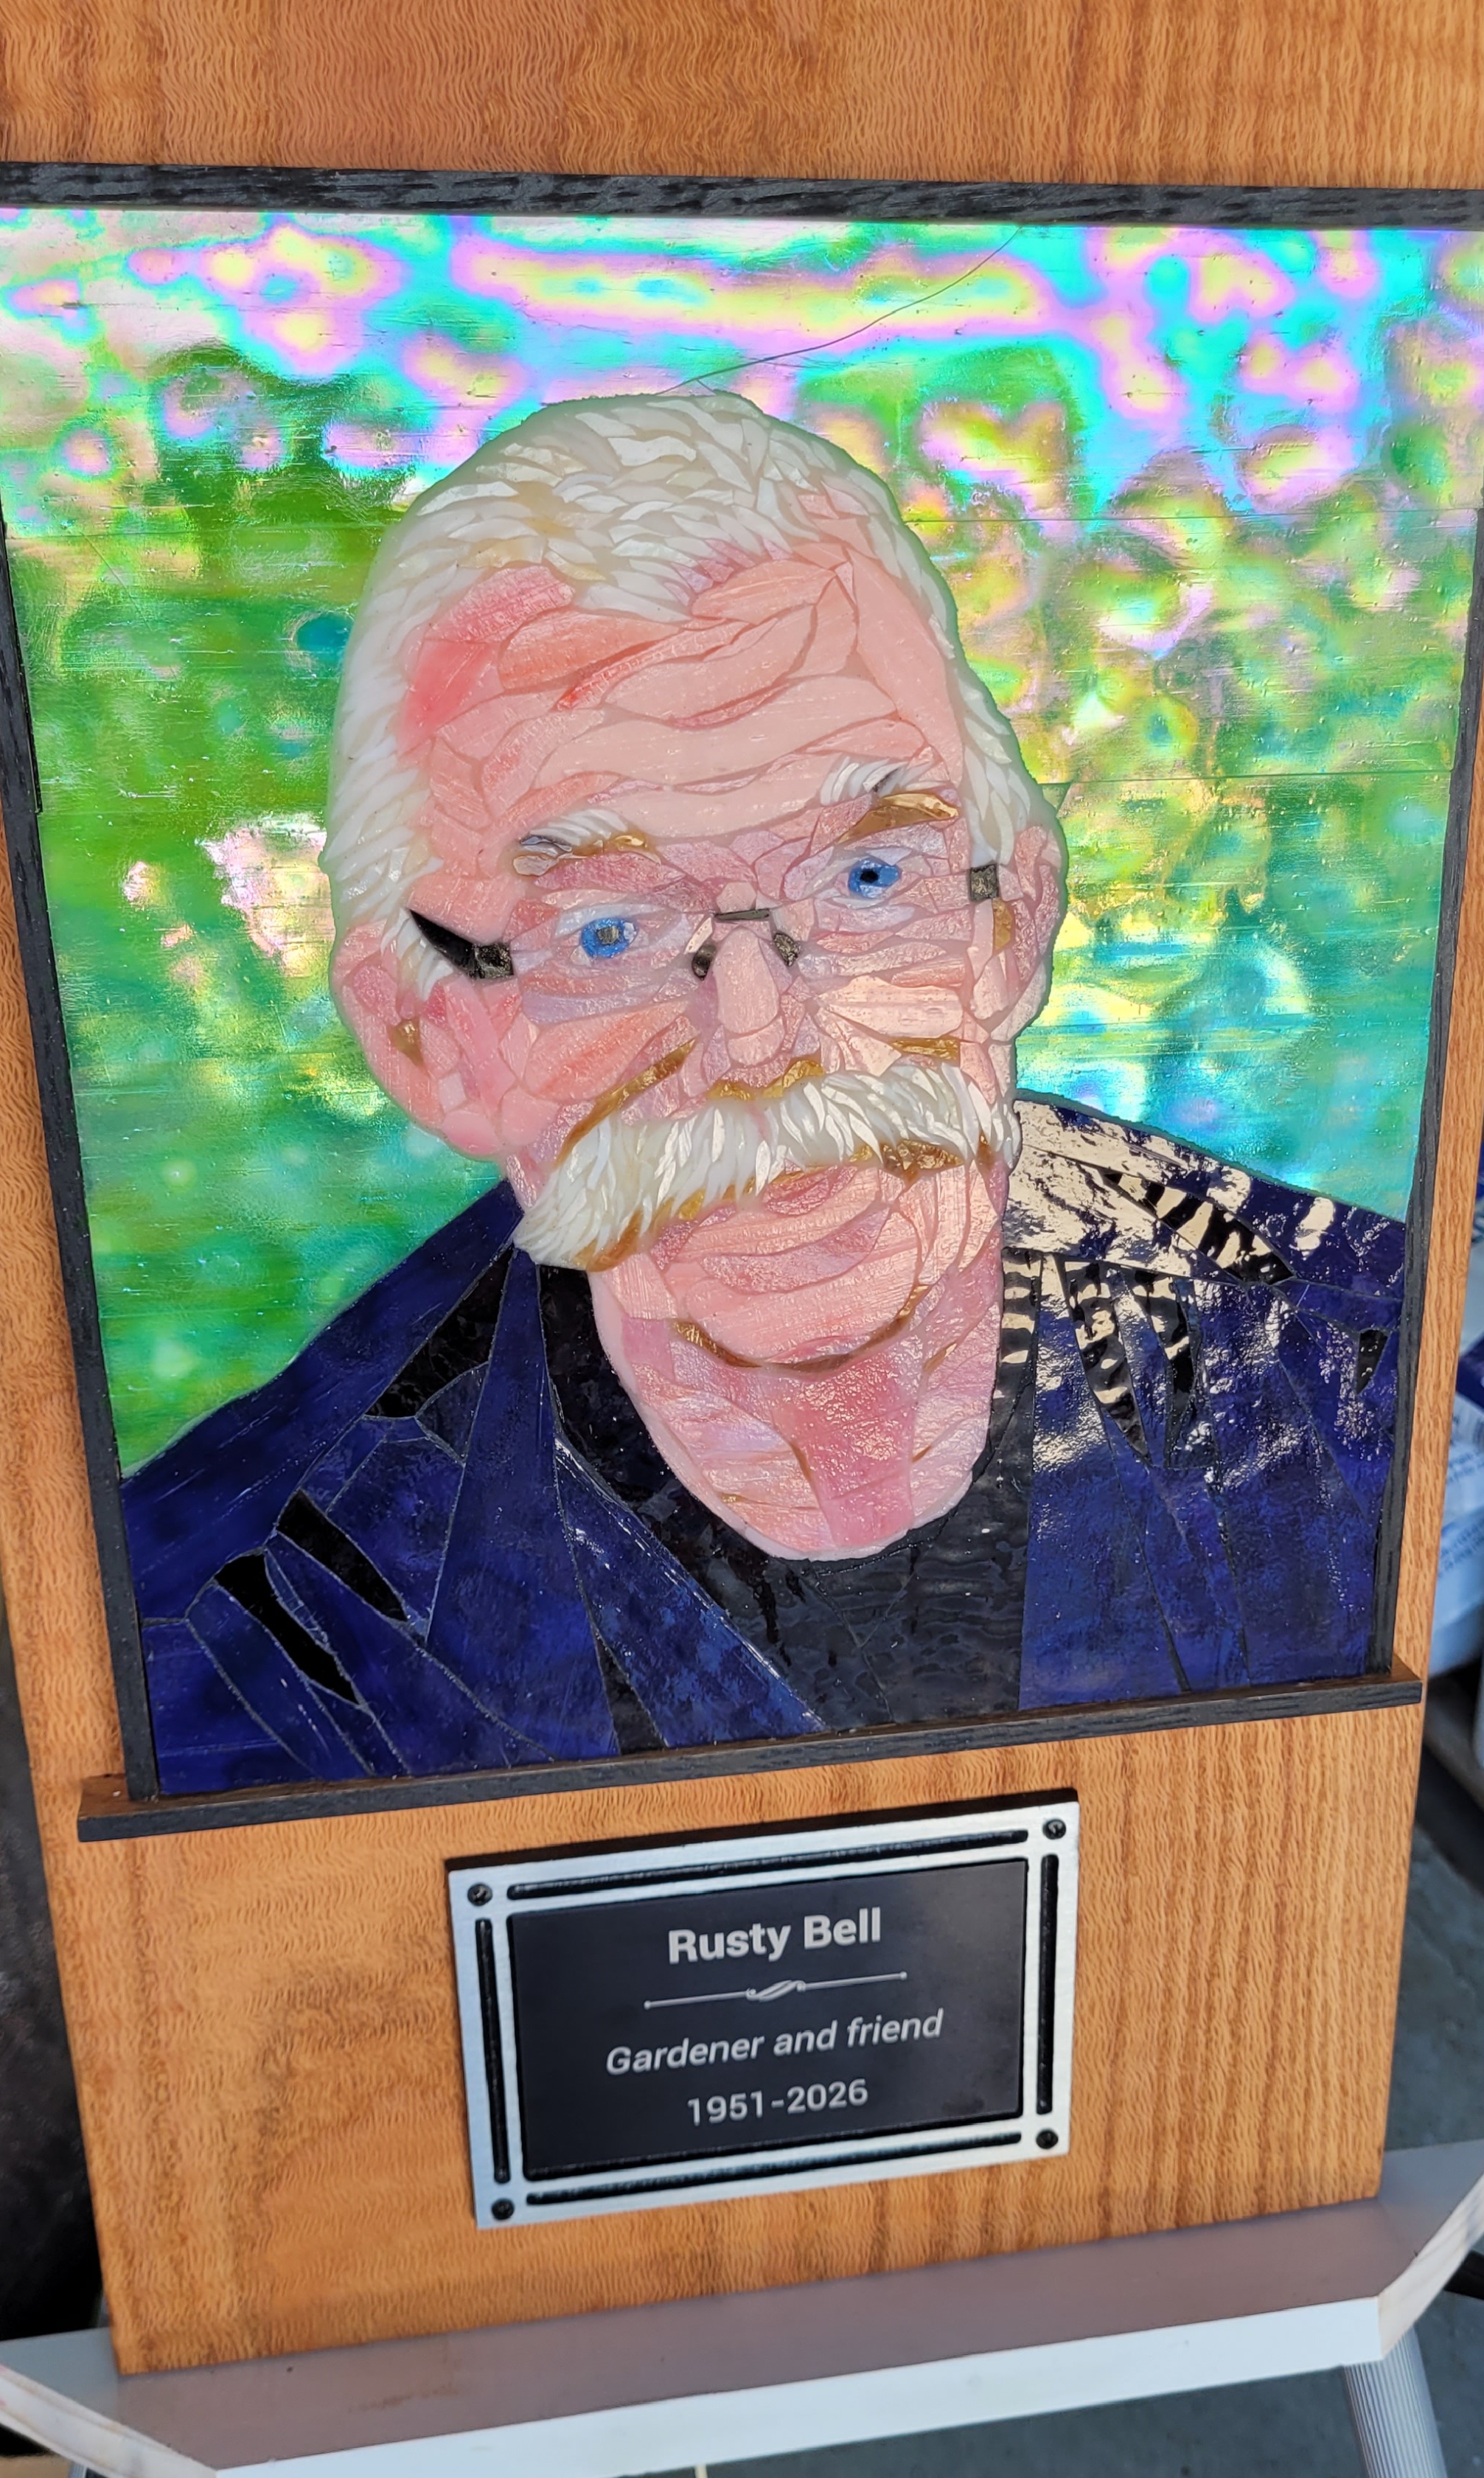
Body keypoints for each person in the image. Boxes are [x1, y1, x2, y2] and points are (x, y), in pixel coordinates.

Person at [123, 394, 1405, 1795]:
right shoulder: (233, 1625)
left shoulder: (1352, 1368)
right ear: (424, 1037)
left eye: (868, 877)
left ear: (1012, 921)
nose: (758, 1035)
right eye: (605, 934)